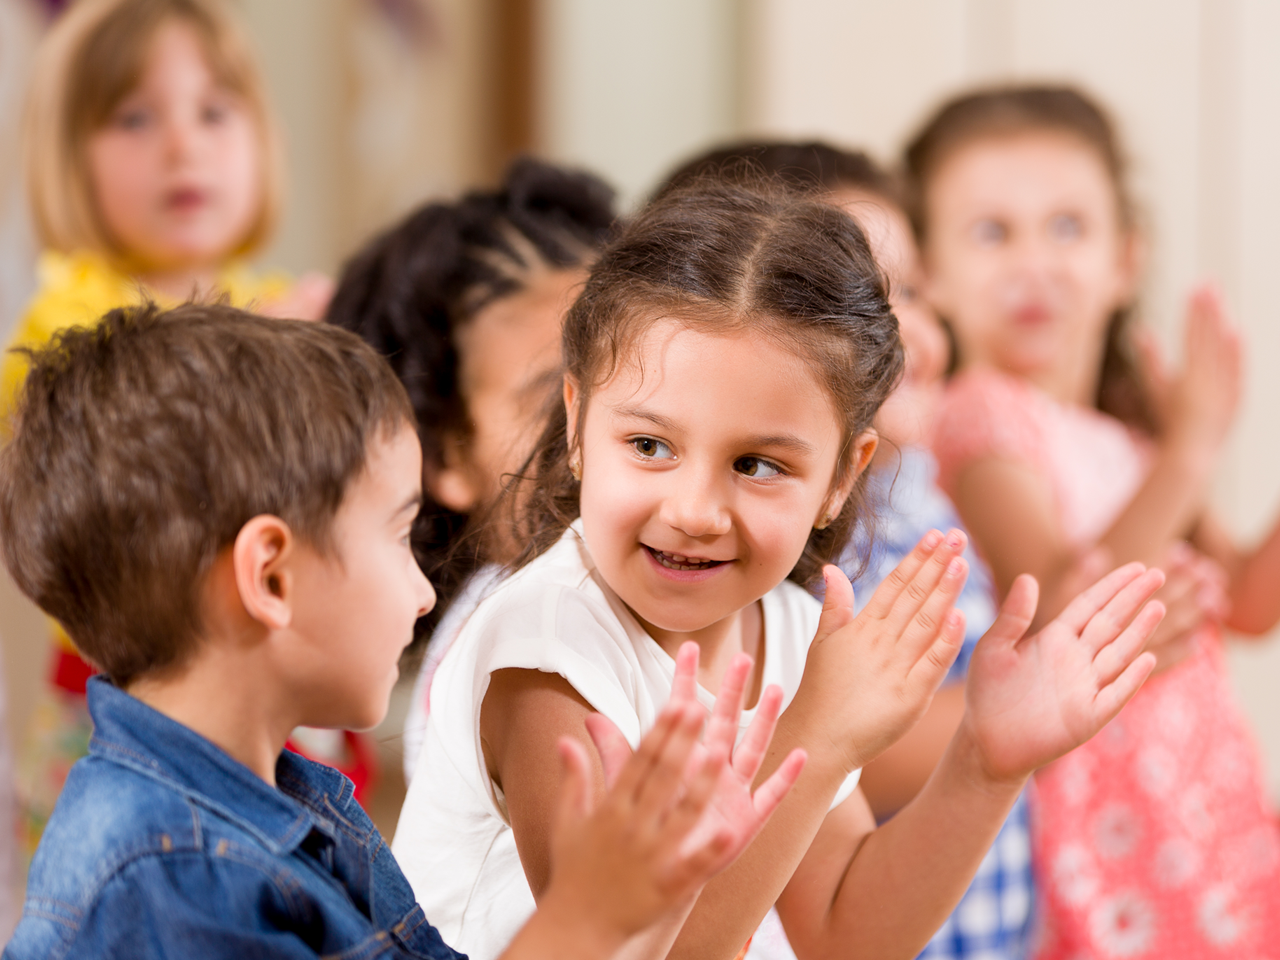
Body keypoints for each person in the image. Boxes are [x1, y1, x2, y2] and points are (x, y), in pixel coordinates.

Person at [392, 179, 1169, 960]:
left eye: (757, 463)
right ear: (577, 423)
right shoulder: (545, 652)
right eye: (649, 446)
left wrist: (986, 763)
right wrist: (818, 737)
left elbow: (843, 932)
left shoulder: (793, 629)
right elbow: (634, 951)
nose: (695, 509)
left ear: (839, 476)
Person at [0, 301, 805, 960]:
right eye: (396, 535)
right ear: (271, 576)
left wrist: (657, 891)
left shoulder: (294, 805)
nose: (425, 596)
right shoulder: (169, 871)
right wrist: (590, 913)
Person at [909, 85, 1280, 957]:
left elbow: (1250, 606)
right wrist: (1190, 450)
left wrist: (1176, 448)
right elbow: (1059, 616)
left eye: (1067, 228)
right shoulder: (979, 419)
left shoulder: (1132, 436)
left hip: (1201, 806)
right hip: (1108, 830)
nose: (1033, 262)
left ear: (1125, 260)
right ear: (933, 277)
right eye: (993, 233)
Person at [656, 139, 1040, 960]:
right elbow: (844, 737)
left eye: (921, 298)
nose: (922, 338)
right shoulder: (780, 551)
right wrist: (997, 719)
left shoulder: (934, 489)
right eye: (874, 304)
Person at [5, 0, 332, 854]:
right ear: (67, 158)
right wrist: (270, 358)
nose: (183, 146)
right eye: (135, 117)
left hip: (267, 677)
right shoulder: (64, 324)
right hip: (121, 698)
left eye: (214, 112)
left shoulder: (277, 298)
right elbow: (142, 460)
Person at [325, 157, 616, 781]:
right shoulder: (522, 639)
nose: (614, 424)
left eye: (626, 376)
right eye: (550, 397)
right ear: (446, 452)